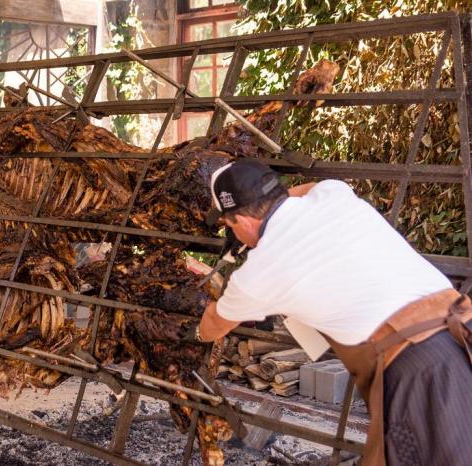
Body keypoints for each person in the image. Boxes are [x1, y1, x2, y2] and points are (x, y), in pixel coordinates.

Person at [183, 158, 472, 465]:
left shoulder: (258, 272)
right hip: (463, 329)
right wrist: (265, 210)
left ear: (241, 221)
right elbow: (309, 188)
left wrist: (194, 332)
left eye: (229, 225)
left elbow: (215, 323)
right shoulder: (333, 194)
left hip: (420, 369)